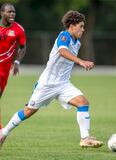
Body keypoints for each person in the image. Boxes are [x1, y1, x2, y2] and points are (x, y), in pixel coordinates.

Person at [0, 10, 103, 148]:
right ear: (72, 25)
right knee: (29, 111)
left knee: (83, 102)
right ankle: (3, 133)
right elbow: (62, 51)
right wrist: (81, 62)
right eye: (81, 26)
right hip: (47, 84)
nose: (83, 29)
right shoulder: (64, 36)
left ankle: (85, 139)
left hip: (63, 84)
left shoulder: (77, 42)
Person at [0, 3, 26, 129]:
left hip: (4, 71)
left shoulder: (18, 29)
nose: (12, 14)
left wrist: (17, 62)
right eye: (9, 12)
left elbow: (23, 47)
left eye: (13, 12)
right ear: (2, 13)